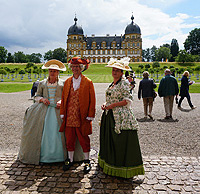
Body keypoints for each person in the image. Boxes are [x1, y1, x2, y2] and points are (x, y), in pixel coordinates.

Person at [18, 59, 84, 165]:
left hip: (60, 110)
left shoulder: (64, 83)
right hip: (44, 110)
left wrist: (62, 101)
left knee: (63, 132)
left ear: (58, 72)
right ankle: (44, 156)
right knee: (42, 132)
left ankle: (63, 156)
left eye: (55, 71)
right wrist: (42, 99)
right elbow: (36, 96)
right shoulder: (42, 83)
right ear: (48, 71)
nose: (52, 73)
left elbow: (69, 96)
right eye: (51, 71)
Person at [98, 57, 145, 179]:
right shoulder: (112, 84)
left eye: (117, 70)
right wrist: (105, 103)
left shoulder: (124, 83)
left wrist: (112, 106)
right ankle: (109, 164)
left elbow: (127, 101)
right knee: (110, 140)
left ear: (122, 72)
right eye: (113, 70)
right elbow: (110, 98)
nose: (114, 72)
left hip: (120, 116)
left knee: (120, 141)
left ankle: (123, 168)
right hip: (109, 114)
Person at [59, 57, 96, 173]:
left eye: (77, 67)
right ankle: (70, 159)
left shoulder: (88, 82)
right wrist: (62, 113)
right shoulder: (67, 82)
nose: (75, 69)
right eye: (73, 67)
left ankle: (87, 160)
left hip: (82, 115)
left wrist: (90, 115)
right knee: (69, 138)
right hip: (70, 114)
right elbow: (64, 98)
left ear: (81, 68)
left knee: (84, 138)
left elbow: (92, 100)